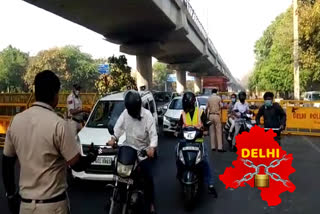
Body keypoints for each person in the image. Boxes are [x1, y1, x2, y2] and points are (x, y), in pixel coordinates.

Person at [2, 70, 98, 214]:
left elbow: (7, 163)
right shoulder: (59, 124)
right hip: (53, 206)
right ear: (55, 94)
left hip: (25, 205)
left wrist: (10, 195)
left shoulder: (16, 121)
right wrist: (91, 156)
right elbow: (76, 164)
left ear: (36, 92)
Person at [107, 90, 158, 214]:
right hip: (128, 148)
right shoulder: (125, 113)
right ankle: (115, 195)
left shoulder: (147, 115)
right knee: (116, 171)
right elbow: (118, 127)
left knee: (148, 178)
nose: (131, 112)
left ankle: (151, 203)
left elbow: (153, 134)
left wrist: (152, 147)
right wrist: (114, 138)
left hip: (142, 152)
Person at [175, 92, 218, 197]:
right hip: (185, 141)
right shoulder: (183, 114)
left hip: (198, 141)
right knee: (176, 153)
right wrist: (177, 131)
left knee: (205, 161)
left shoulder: (200, 112)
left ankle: (210, 184)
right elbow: (179, 126)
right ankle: (179, 172)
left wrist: (205, 129)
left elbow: (206, 122)